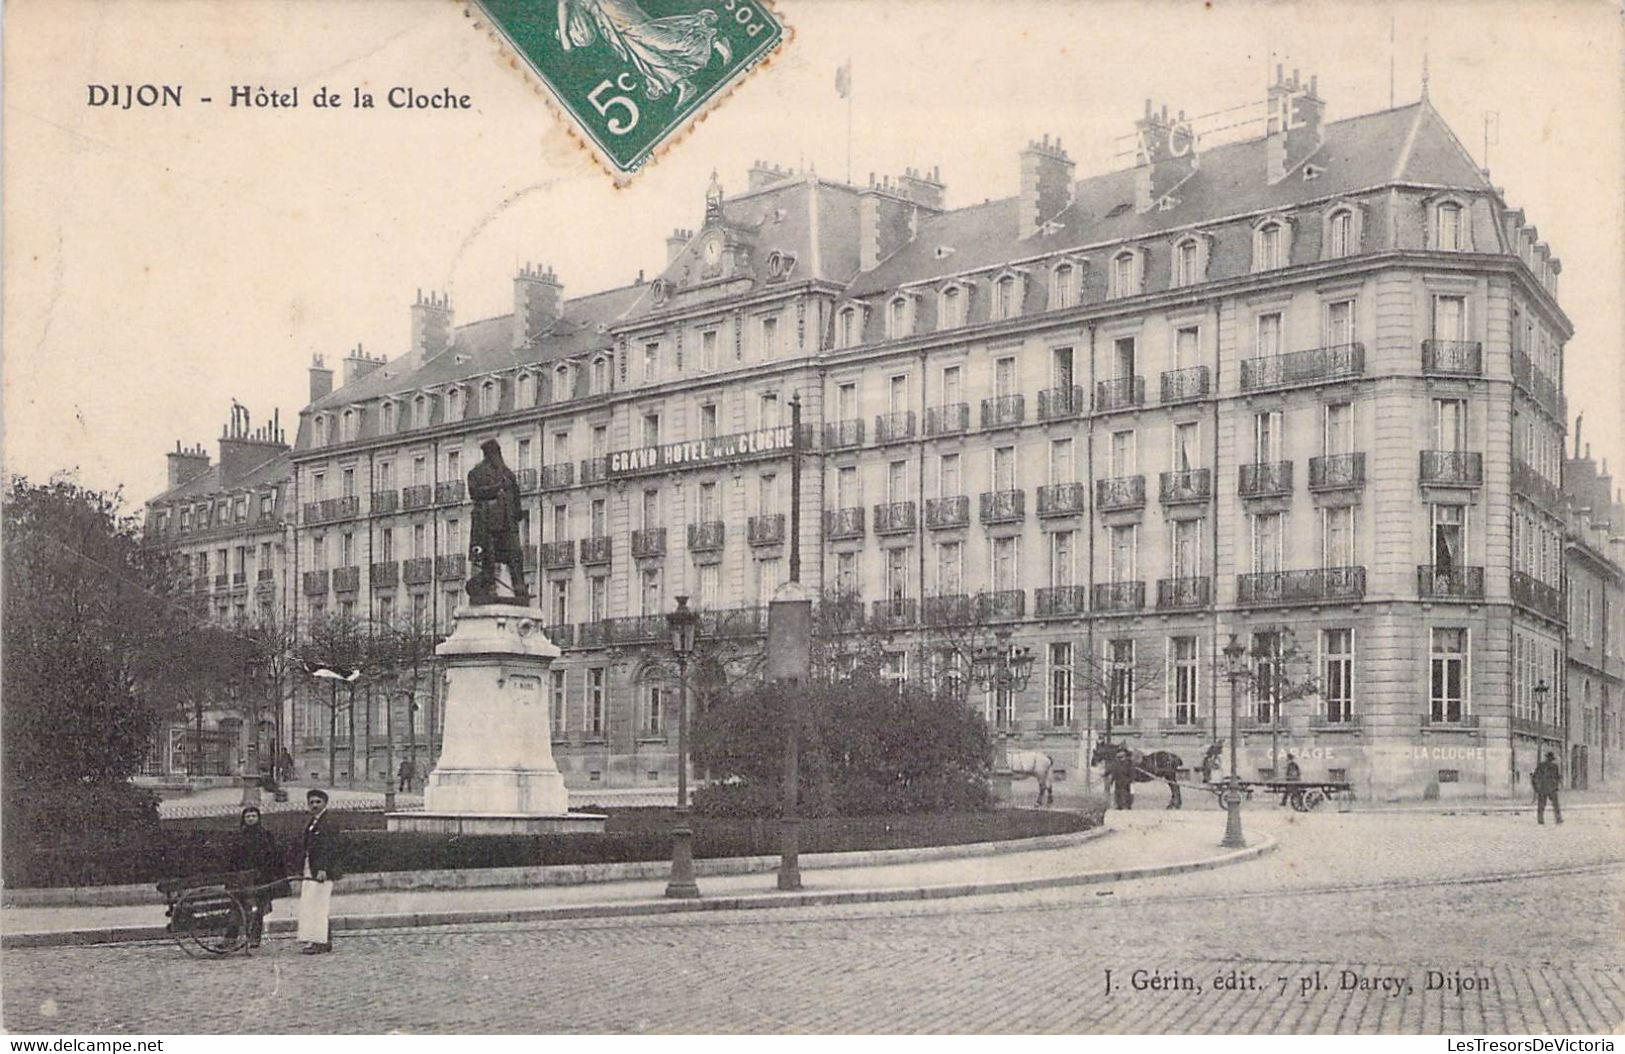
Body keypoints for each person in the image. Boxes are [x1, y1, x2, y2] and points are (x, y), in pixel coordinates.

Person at [466, 438, 529, 604]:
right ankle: (489, 587)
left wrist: (517, 513)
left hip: (507, 523)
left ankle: (519, 587)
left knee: (515, 555)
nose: (497, 456)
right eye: (494, 453)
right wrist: (496, 488)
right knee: (489, 557)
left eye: (498, 452)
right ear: (487, 454)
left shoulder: (508, 474)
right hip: (487, 523)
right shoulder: (476, 473)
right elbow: (475, 493)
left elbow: (516, 496)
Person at [229, 806, 287, 948]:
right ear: (244, 819)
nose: (250, 819)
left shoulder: (265, 835)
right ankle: (231, 937)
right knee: (238, 906)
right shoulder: (238, 836)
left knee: (258, 908)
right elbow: (233, 857)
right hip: (242, 877)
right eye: (248, 816)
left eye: (253, 816)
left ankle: (255, 937)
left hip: (260, 876)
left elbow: (272, 856)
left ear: (258, 818)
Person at [297, 788, 342, 954]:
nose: (314, 805)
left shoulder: (328, 822)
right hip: (311, 867)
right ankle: (319, 938)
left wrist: (323, 868)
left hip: (321, 870)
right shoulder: (313, 822)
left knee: (319, 904)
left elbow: (329, 847)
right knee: (311, 903)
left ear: (325, 803)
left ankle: (320, 941)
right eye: (311, 802)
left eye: (318, 802)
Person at [1532, 751, 1563, 825]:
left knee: (1541, 805)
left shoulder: (1541, 765)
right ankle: (1558, 819)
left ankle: (1540, 820)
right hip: (1551, 788)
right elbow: (1557, 777)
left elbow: (1535, 776)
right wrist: (1557, 784)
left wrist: (1536, 787)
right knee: (1555, 804)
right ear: (1552, 759)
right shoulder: (1555, 766)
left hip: (1543, 788)